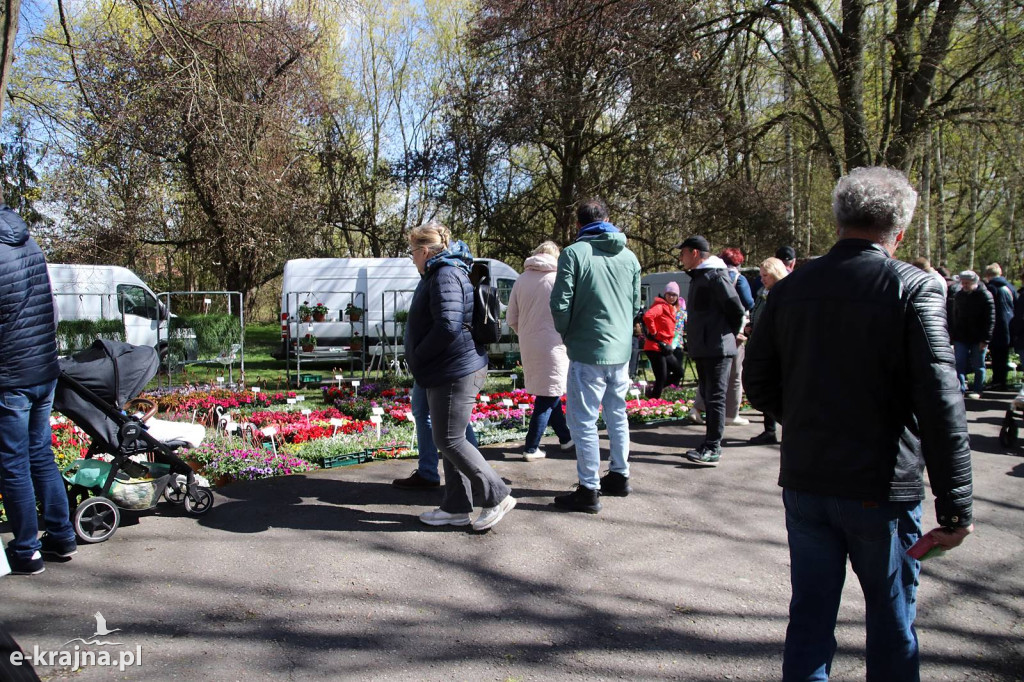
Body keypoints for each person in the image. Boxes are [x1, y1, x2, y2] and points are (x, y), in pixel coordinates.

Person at [744, 166, 974, 681]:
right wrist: (956, 507)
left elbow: (758, 381)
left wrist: (804, 420)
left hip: (809, 479)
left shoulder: (792, 287)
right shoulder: (913, 287)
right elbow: (942, 401)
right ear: (900, 231)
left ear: (839, 218)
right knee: (892, 620)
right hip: (880, 485)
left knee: (809, 616)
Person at [404, 222, 515, 531]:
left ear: (425, 251)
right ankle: (455, 507)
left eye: (413, 252)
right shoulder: (442, 272)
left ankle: (497, 494)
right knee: (450, 438)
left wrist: (418, 354)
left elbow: (448, 326)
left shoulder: (445, 274)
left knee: (449, 438)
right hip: (447, 367)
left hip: (454, 368)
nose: (412, 258)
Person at [0, 204, 77, 575]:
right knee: (40, 455)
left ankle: (27, 549)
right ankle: (61, 536)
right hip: (42, 368)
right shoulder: (27, 241)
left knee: (13, 464)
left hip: (10, 375)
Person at [550, 198, 641, 512]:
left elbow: (560, 304)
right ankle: (619, 475)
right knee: (617, 414)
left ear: (579, 225)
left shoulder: (574, 253)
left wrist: (568, 335)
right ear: (608, 219)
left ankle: (589, 489)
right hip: (620, 349)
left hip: (588, 349)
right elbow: (634, 305)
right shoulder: (629, 257)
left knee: (583, 421)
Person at [677, 235, 745, 465]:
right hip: (705, 347)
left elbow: (736, 308)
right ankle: (709, 442)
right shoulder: (700, 276)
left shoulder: (715, 276)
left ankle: (713, 447)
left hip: (717, 348)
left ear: (695, 253)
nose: (681, 257)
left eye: (683, 252)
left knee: (715, 398)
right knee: (709, 396)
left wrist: (727, 335)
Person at [506, 240, 573, 460]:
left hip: (529, 343)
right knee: (549, 394)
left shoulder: (521, 279)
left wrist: (525, 333)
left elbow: (511, 317)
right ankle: (531, 447)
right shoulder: (559, 279)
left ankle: (565, 438)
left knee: (548, 392)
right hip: (555, 344)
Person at [693, 247, 753, 426]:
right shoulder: (737, 279)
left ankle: (697, 407)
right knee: (734, 374)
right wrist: (737, 330)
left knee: (708, 376)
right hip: (731, 333)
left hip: (710, 334)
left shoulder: (707, 275)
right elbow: (745, 304)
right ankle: (731, 414)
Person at [391, 381, 479, 489]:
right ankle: (428, 473)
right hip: (431, 367)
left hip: (437, 367)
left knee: (451, 413)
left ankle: (476, 476)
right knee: (427, 410)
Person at [744, 257, 788, 446]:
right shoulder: (764, 292)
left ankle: (783, 428)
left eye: (766, 276)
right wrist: (752, 326)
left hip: (778, 349)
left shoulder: (784, 293)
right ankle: (769, 430)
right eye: (761, 276)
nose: (762, 279)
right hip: (763, 345)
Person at [948, 270, 994, 399]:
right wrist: (953, 334)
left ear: (975, 282)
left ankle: (978, 389)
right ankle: (960, 390)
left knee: (978, 365)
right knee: (959, 364)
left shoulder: (985, 295)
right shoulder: (959, 296)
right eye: (963, 283)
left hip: (978, 337)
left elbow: (990, 319)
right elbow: (954, 316)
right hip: (961, 336)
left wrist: (986, 339)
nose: (964, 285)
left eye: (967, 283)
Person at [641, 282, 684, 398]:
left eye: (674, 295)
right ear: (665, 294)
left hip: (665, 347)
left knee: (679, 372)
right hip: (655, 347)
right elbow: (647, 316)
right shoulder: (660, 306)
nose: (671, 297)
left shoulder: (673, 308)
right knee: (662, 377)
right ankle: (653, 401)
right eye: (669, 294)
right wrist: (654, 332)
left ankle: (653, 391)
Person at [982, 263, 1016, 390]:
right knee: (1004, 356)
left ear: (988, 275)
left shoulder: (990, 288)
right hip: (1009, 325)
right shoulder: (1010, 287)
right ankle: (1002, 381)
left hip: (995, 327)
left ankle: (997, 381)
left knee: (997, 357)